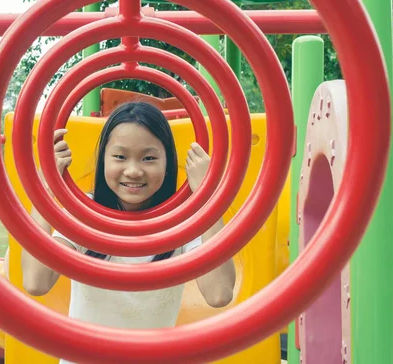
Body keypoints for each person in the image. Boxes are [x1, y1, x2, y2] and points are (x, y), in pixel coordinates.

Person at [22, 101, 236, 362]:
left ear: (168, 162)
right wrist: (45, 188)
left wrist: (209, 197)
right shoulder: (85, 215)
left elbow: (219, 294)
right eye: (120, 157)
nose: (133, 171)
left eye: (148, 158)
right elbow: (36, 282)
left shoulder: (182, 221)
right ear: (103, 161)